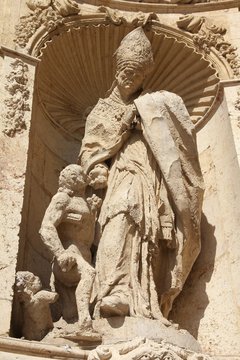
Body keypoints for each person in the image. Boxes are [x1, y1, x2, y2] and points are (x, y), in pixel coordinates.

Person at [78, 27, 204, 321]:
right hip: (121, 173)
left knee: (147, 231)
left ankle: (142, 299)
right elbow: (90, 150)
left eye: (136, 73)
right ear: (116, 67)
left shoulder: (154, 102)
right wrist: (96, 167)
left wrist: (144, 115)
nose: (129, 77)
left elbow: (178, 139)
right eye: (125, 70)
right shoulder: (100, 111)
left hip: (150, 176)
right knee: (119, 218)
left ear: (145, 75)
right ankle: (112, 290)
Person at [39, 164, 102, 339]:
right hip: (69, 257)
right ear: (73, 179)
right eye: (82, 174)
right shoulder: (62, 199)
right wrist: (60, 253)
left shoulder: (84, 202)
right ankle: (85, 325)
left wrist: (94, 212)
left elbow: (89, 236)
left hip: (84, 255)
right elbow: (46, 227)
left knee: (69, 312)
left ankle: (72, 323)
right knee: (88, 273)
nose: (86, 177)